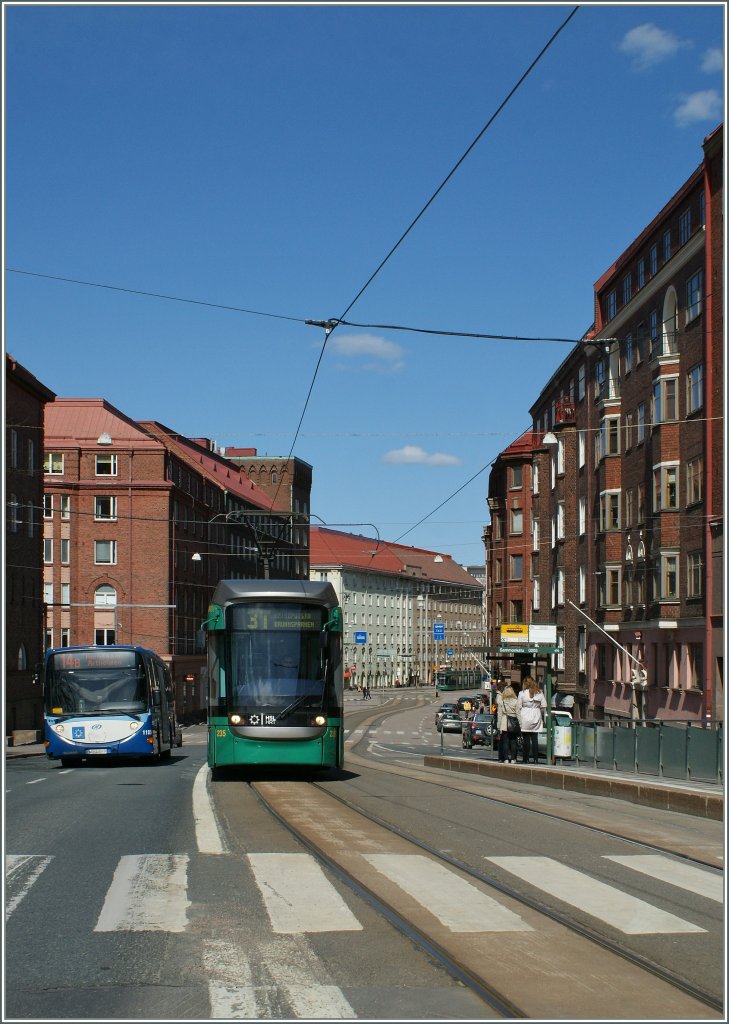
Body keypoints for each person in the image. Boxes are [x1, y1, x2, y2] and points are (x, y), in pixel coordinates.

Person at [517, 676, 547, 764]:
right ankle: (535, 759)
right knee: (535, 739)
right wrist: (537, 709)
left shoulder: (522, 693)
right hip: (536, 715)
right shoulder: (539, 692)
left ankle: (525, 758)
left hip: (525, 716)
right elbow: (544, 705)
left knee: (526, 739)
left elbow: (518, 706)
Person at [496, 683, 520, 763]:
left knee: (505, 741)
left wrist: (498, 725)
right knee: (513, 741)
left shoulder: (502, 702)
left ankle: (506, 758)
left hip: (504, 721)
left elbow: (500, 714)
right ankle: (513, 759)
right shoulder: (516, 701)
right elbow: (518, 714)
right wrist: (520, 724)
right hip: (513, 722)